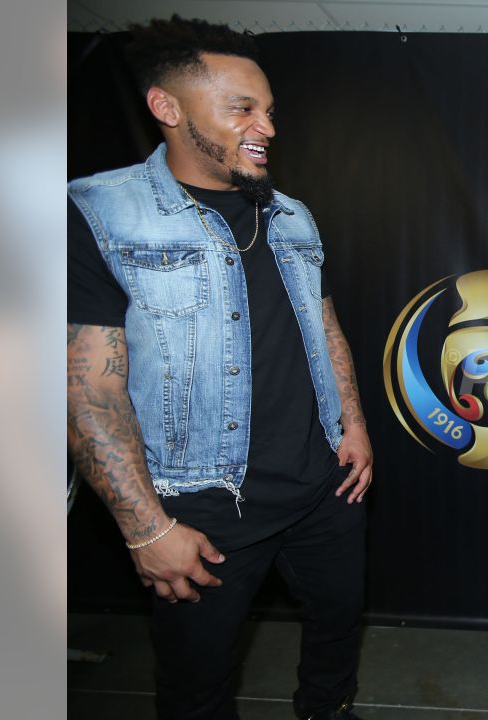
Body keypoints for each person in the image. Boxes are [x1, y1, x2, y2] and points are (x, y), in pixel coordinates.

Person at [66, 16, 372, 720]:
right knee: (196, 687)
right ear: (167, 108)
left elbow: (324, 328)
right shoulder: (101, 213)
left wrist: (351, 425)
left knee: (337, 627)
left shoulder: (291, 214)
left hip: (324, 486)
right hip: (200, 502)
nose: (266, 125)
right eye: (243, 108)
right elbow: (89, 390)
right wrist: (146, 527)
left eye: (268, 110)